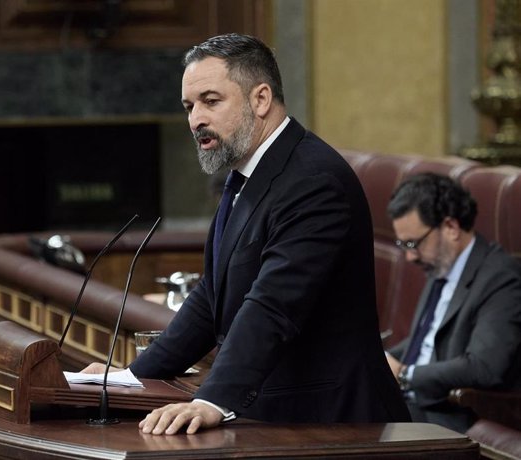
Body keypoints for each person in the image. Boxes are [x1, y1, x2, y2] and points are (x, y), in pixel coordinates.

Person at [85, 33, 410, 434]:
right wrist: (131, 378)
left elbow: (274, 305)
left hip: (334, 421)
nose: (195, 119)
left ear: (260, 99)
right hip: (284, 415)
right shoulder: (247, 173)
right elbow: (212, 296)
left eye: (210, 101)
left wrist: (212, 399)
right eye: (189, 106)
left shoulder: (313, 180)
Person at [384, 172, 521, 433]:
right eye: (403, 244)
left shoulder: (500, 278)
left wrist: (404, 375)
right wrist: (381, 360)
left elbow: (484, 367)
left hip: (445, 415)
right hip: (411, 403)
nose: (410, 257)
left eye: (414, 243)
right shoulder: (441, 265)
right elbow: (424, 342)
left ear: (451, 228)